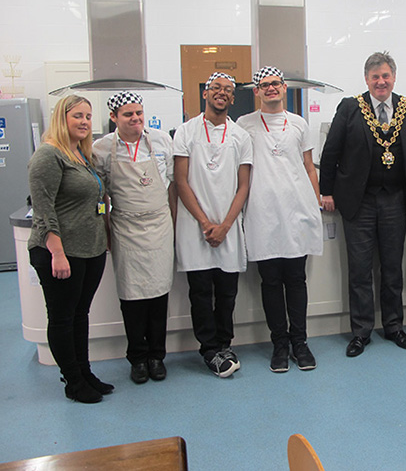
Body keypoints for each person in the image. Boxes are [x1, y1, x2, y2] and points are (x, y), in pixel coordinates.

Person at [319, 51, 406, 357]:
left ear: (394, 78)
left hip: (395, 199)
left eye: (386, 76)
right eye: (375, 76)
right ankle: (361, 332)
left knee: (392, 268)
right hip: (358, 202)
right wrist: (327, 191)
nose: (381, 82)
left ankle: (394, 326)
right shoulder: (351, 107)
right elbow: (331, 151)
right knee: (360, 270)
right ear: (366, 79)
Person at [237, 66, 324, 373]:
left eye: (275, 84)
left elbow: (309, 167)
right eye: (264, 85)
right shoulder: (244, 124)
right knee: (270, 281)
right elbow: (241, 171)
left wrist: (316, 202)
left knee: (296, 280)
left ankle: (300, 343)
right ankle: (280, 345)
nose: (270, 88)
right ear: (257, 91)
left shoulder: (299, 124)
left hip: (296, 210)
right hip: (262, 213)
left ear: (284, 87)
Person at [27, 95, 110, 403]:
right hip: (61, 252)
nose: (84, 122)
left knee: (80, 314)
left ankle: (84, 372)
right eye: (77, 116)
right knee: (62, 317)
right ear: (62, 118)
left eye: (88, 116)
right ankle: (73, 382)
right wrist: (57, 253)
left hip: (90, 249)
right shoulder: (48, 155)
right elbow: (43, 210)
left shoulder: (81, 155)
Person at [93, 92, 175, 384]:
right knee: (131, 297)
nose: (136, 119)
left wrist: (174, 224)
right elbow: (100, 195)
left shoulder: (161, 140)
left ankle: (157, 356)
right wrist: (105, 231)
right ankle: (138, 358)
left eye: (139, 113)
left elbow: (172, 187)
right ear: (114, 117)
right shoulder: (102, 149)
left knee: (159, 294)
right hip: (125, 227)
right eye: (128, 114)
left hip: (160, 225)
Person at [173, 72, 252, 376]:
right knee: (201, 292)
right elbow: (181, 181)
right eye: (216, 88)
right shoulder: (186, 132)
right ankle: (208, 349)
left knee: (227, 292)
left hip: (228, 226)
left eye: (228, 90)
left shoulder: (240, 136)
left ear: (233, 98)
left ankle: (224, 343)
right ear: (205, 93)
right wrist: (206, 222)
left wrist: (225, 225)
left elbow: (243, 185)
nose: (221, 93)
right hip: (196, 228)